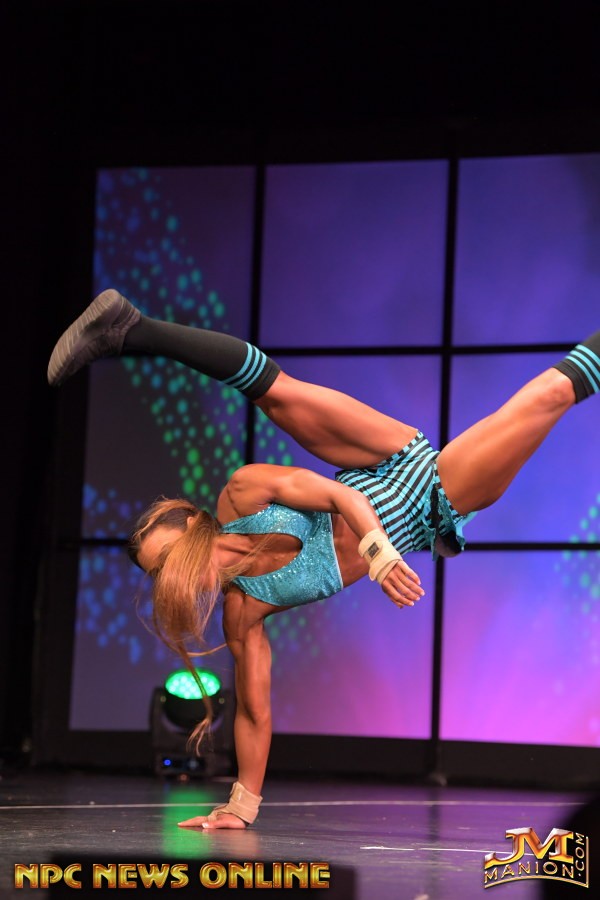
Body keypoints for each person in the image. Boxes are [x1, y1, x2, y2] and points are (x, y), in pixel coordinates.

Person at [47, 289, 600, 830]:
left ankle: (132, 328)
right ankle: (125, 329)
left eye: (168, 558)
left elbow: (339, 496)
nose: (172, 576)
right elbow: (253, 712)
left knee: (278, 395)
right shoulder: (244, 611)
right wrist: (241, 805)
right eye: (159, 573)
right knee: (551, 395)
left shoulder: (241, 496)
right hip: (433, 497)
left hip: (382, 461)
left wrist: (377, 554)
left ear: (192, 524)